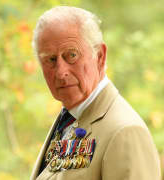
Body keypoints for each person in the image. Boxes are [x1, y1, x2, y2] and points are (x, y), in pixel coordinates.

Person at [30, 6, 161, 180]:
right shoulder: (69, 119)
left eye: (72, 55)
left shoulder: (125, 131)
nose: (61, 72)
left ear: (99, 56)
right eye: (51, 59)